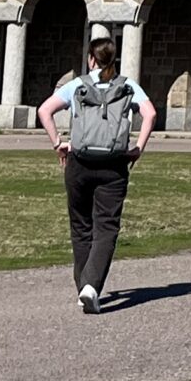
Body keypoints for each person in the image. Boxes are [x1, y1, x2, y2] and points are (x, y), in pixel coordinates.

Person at [39, 36, 151, 314]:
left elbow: (44, 110)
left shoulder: (77, 86)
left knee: (80, 226)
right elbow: (150, 114)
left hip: (79, 161)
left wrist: (58, 144)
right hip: (113, 164)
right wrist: (138, 147)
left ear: (91, 59)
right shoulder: (126, 86)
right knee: (107, 226)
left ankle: (83, 288)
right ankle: (91, 286)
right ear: (113, 59)